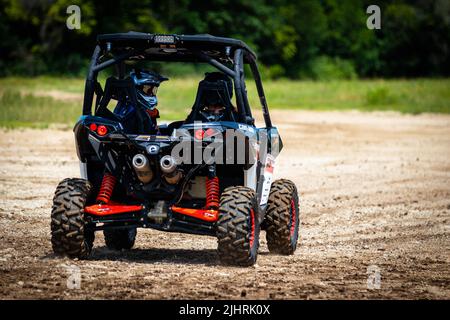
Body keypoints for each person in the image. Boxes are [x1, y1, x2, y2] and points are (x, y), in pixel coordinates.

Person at [114, 69, 168, 133]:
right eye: (148, 89)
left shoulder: (132, 107)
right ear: (136, 88)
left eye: (154, 90)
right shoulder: (133, 110)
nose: (151, 93)